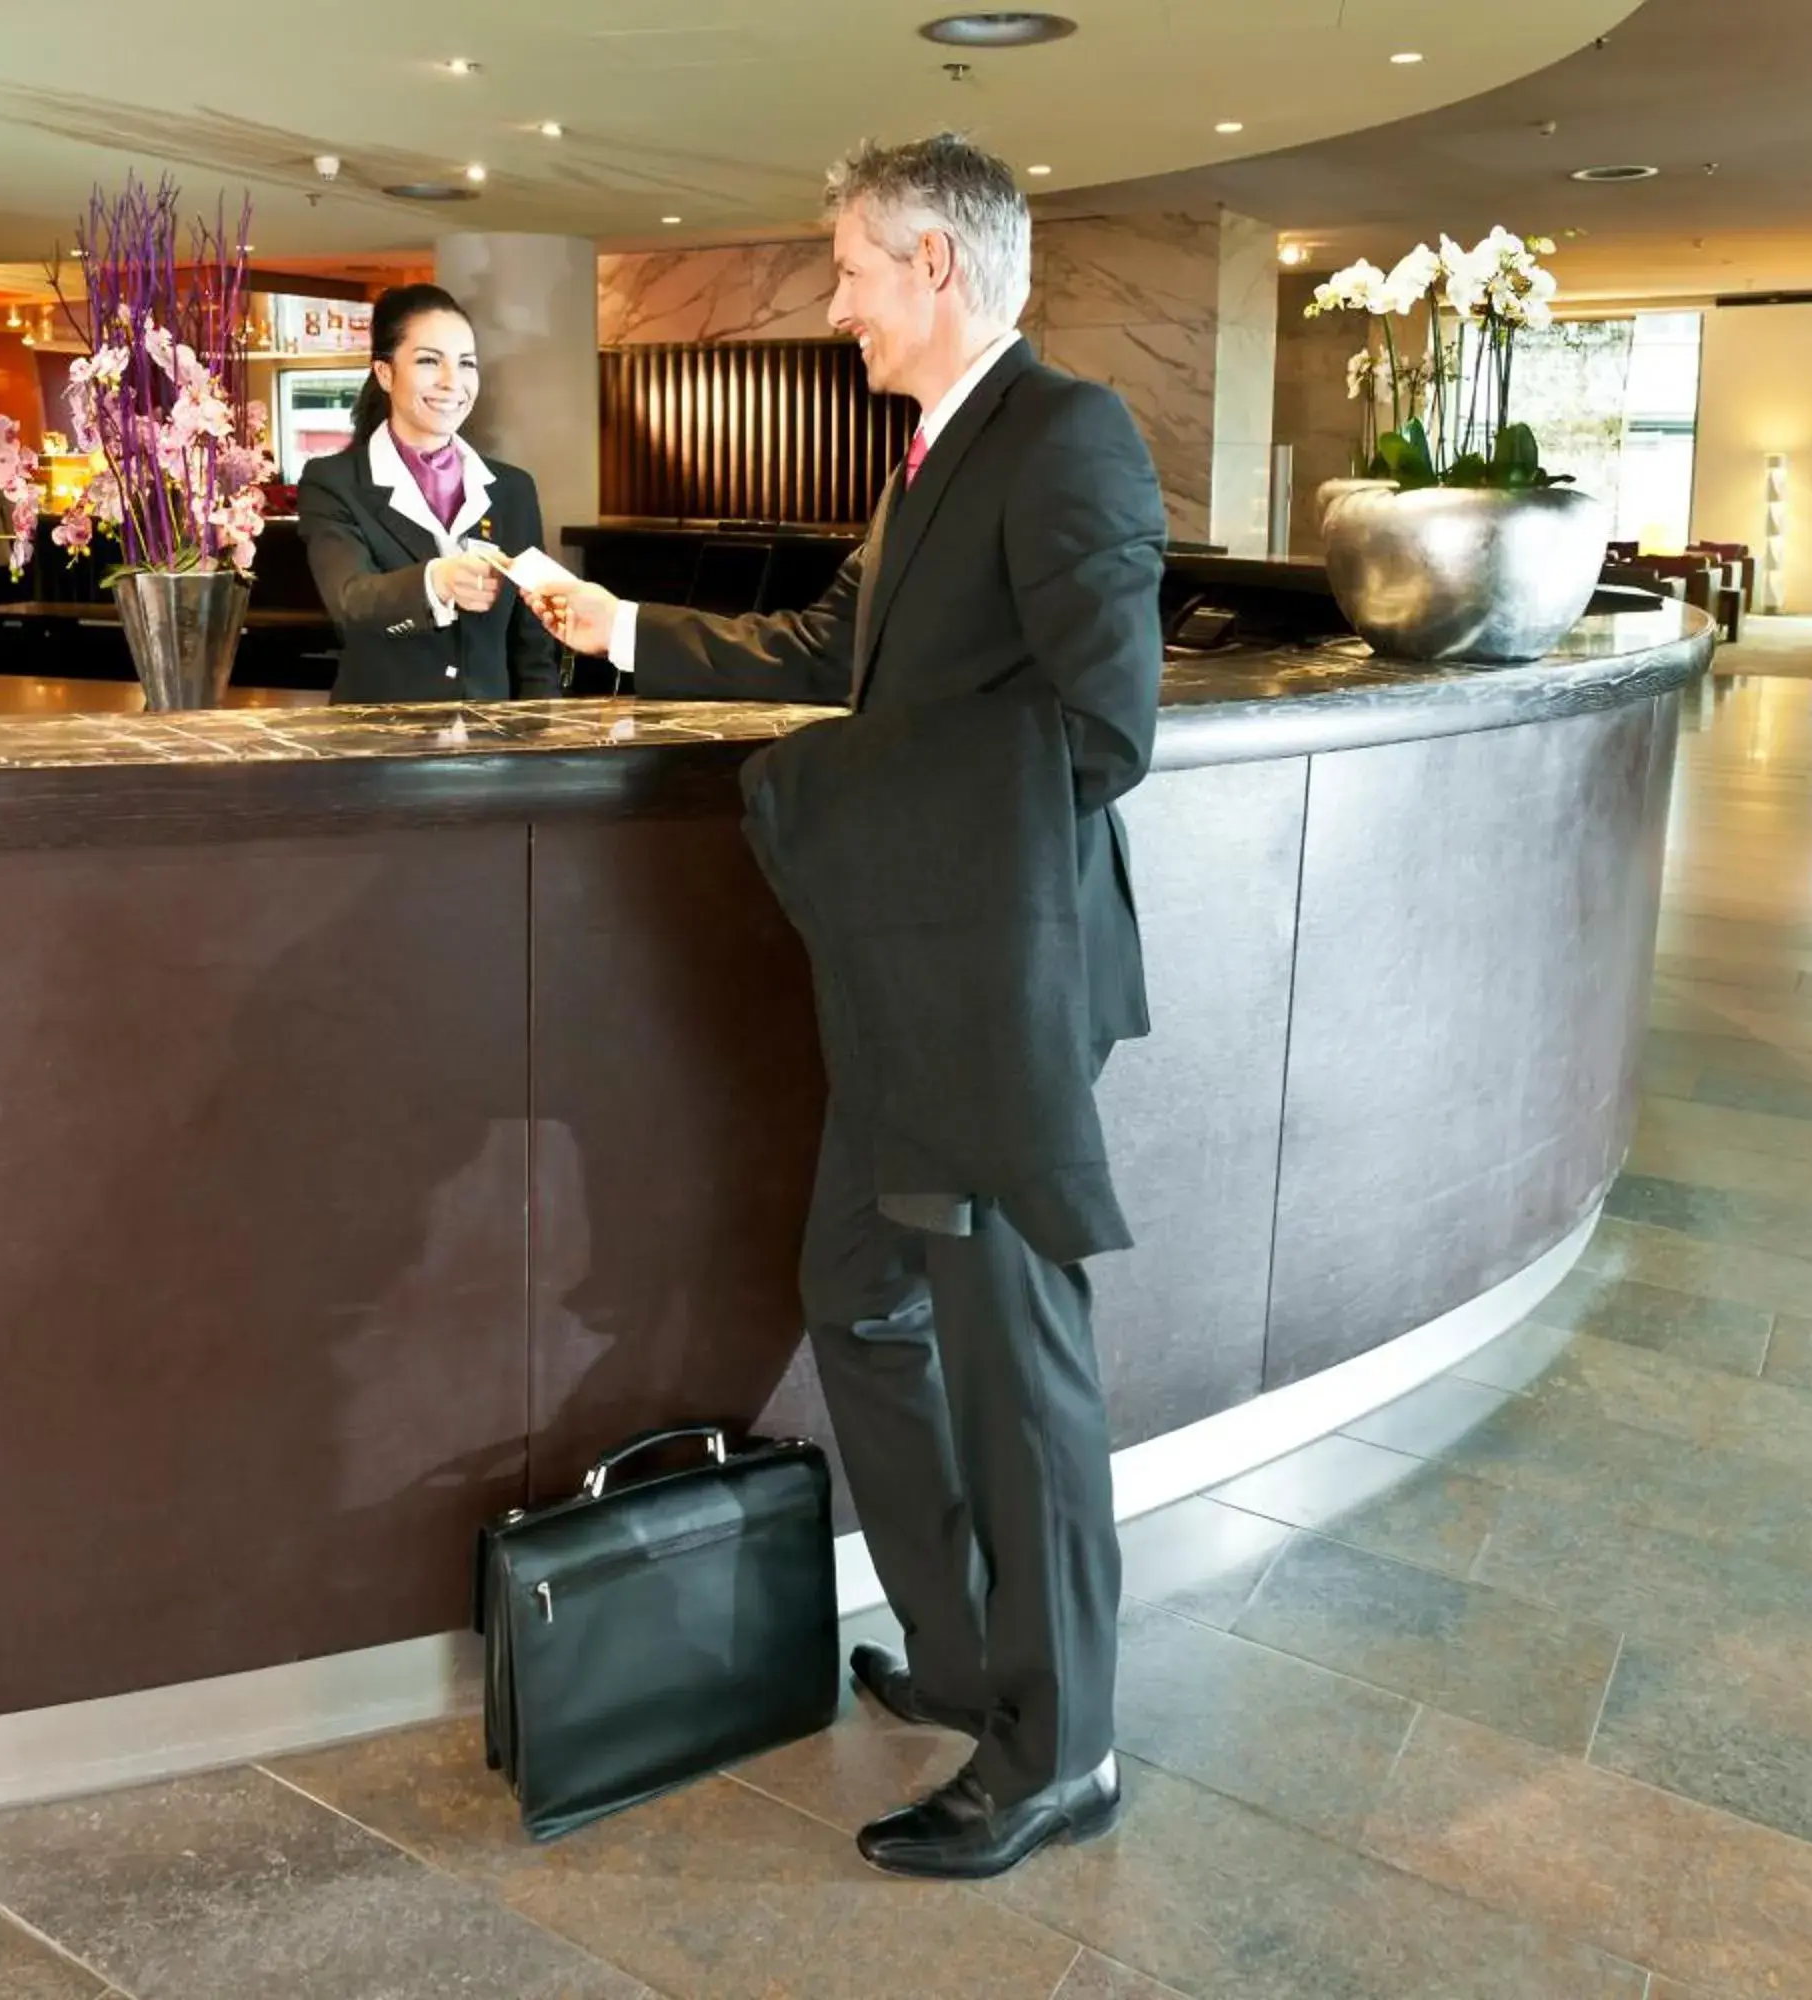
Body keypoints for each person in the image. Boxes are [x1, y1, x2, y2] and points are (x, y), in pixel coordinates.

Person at [533, 132, 1165, 1881]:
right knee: (856, 1298)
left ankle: (1065, 1748)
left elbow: (1104, 731)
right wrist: (625, 627)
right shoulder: (924, 464)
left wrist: (845, 796)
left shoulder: (1067, 437)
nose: (836, 302)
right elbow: (828, 654)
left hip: (993, 984)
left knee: (1016, 1366)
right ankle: (969, 1660)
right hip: (913, 974)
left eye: (853, 270)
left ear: (938, 269)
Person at [296, 284, 561, 703]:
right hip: (380, 744)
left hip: (491, 747)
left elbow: (532, 648)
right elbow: (351, 603)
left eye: (466, 363)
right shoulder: (335, 482)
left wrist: (543, 747)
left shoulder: (513, 489)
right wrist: (437, 580)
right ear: (385, 373)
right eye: (428, 361)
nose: (452, 382)